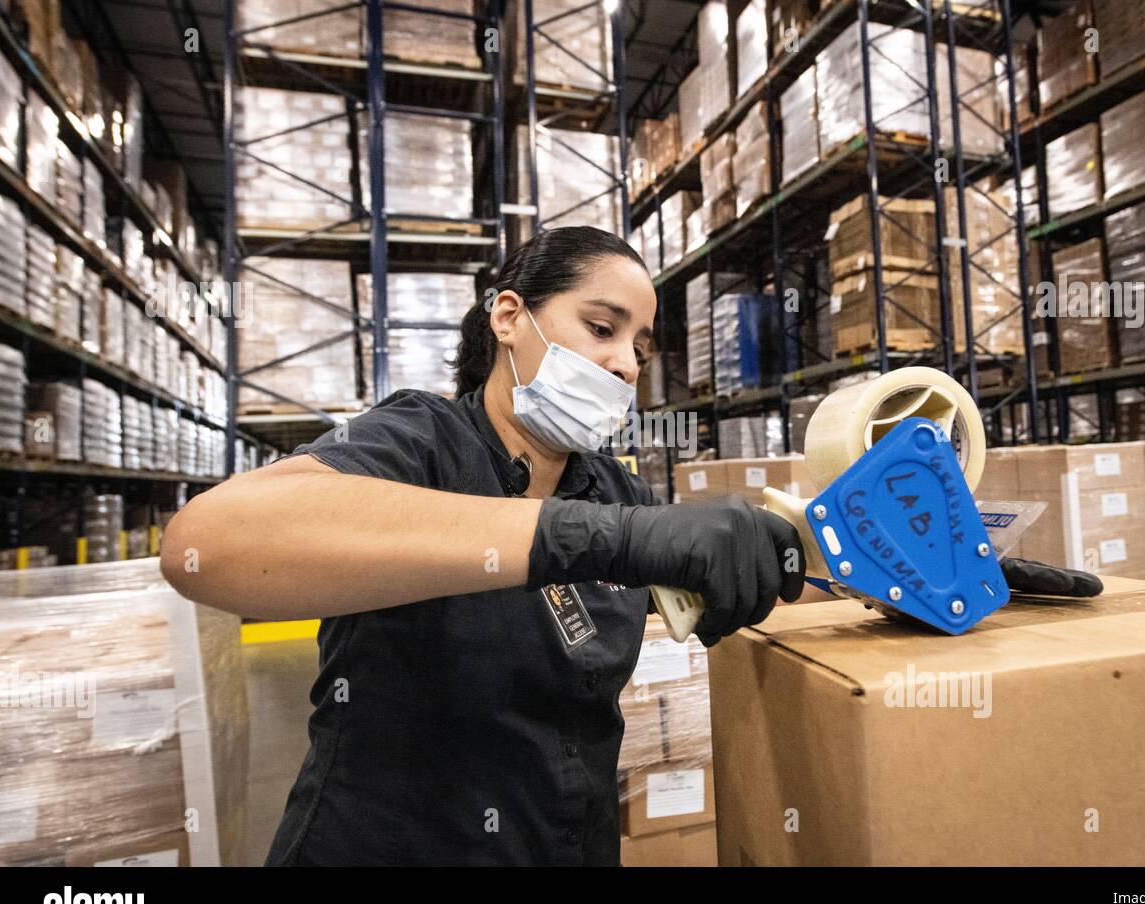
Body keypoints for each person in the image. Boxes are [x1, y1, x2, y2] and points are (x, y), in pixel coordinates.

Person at [160, 226, 804, 865]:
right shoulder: (421, 441)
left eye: (640, 347)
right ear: (508, 317)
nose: (627, 365)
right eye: (602, 329)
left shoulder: (614, 489)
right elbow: (206, 542)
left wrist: (763, 559)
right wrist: (588, 536)